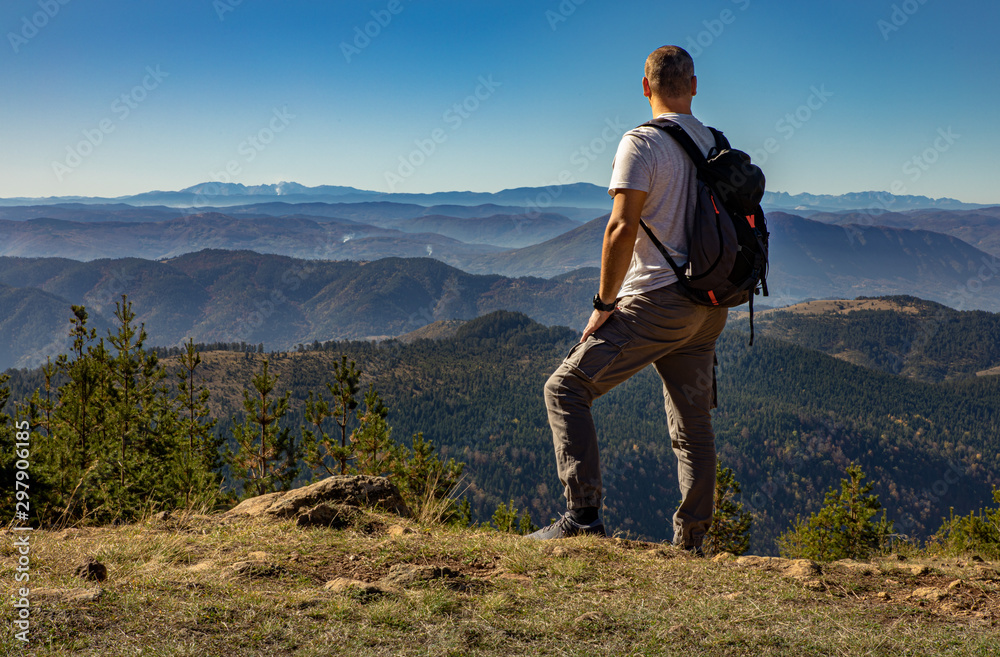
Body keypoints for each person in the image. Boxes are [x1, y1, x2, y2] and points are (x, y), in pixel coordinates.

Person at [527, 45, 728, 553]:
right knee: (693, 423)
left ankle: (583, 518)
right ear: (695, 86)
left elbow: (620, 227)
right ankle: (692, 544)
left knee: (565, 389)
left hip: (658, 299)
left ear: (645, 87)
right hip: (711, 304)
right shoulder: (715, 143)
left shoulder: (641, 143)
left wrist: (604, 302)